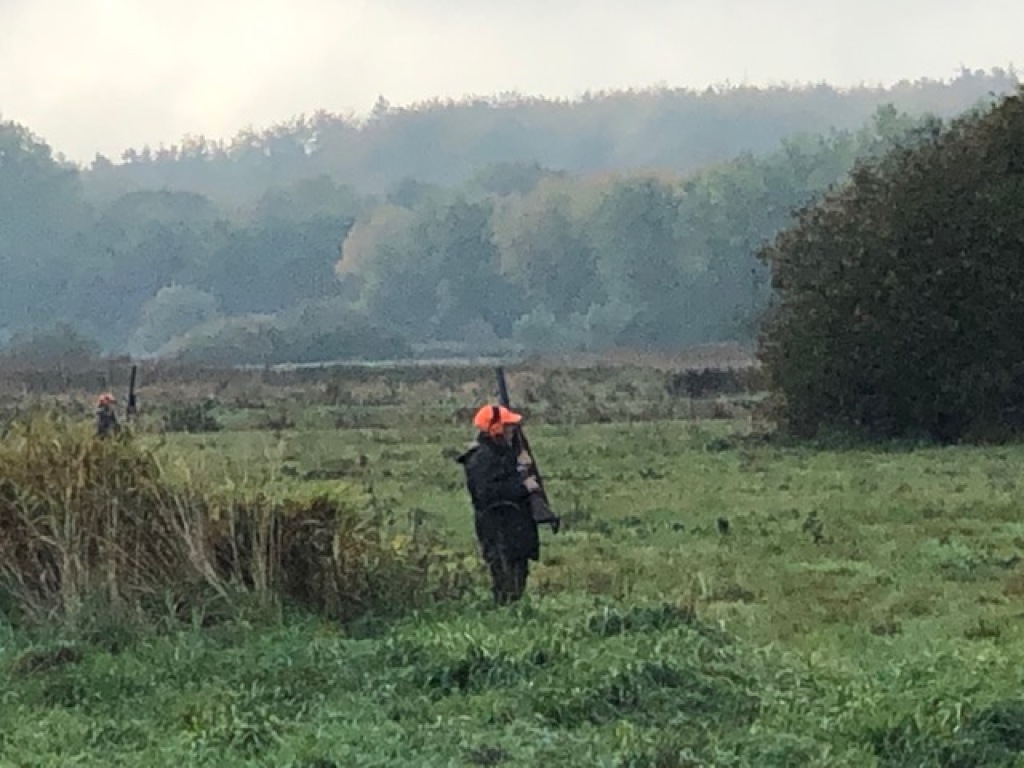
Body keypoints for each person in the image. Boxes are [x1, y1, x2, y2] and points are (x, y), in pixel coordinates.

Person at [456, 404, 542, 604]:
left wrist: (522, 468)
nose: (512, 429)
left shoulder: (504, 452)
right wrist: (523, 486)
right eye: (508, 425)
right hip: (498, 530)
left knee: (517, 577)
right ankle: (506, 615)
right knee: (505, 581)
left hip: (513, 529)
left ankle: (513, 613)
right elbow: (487, 494)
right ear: (495, 428)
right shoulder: (481, 458)